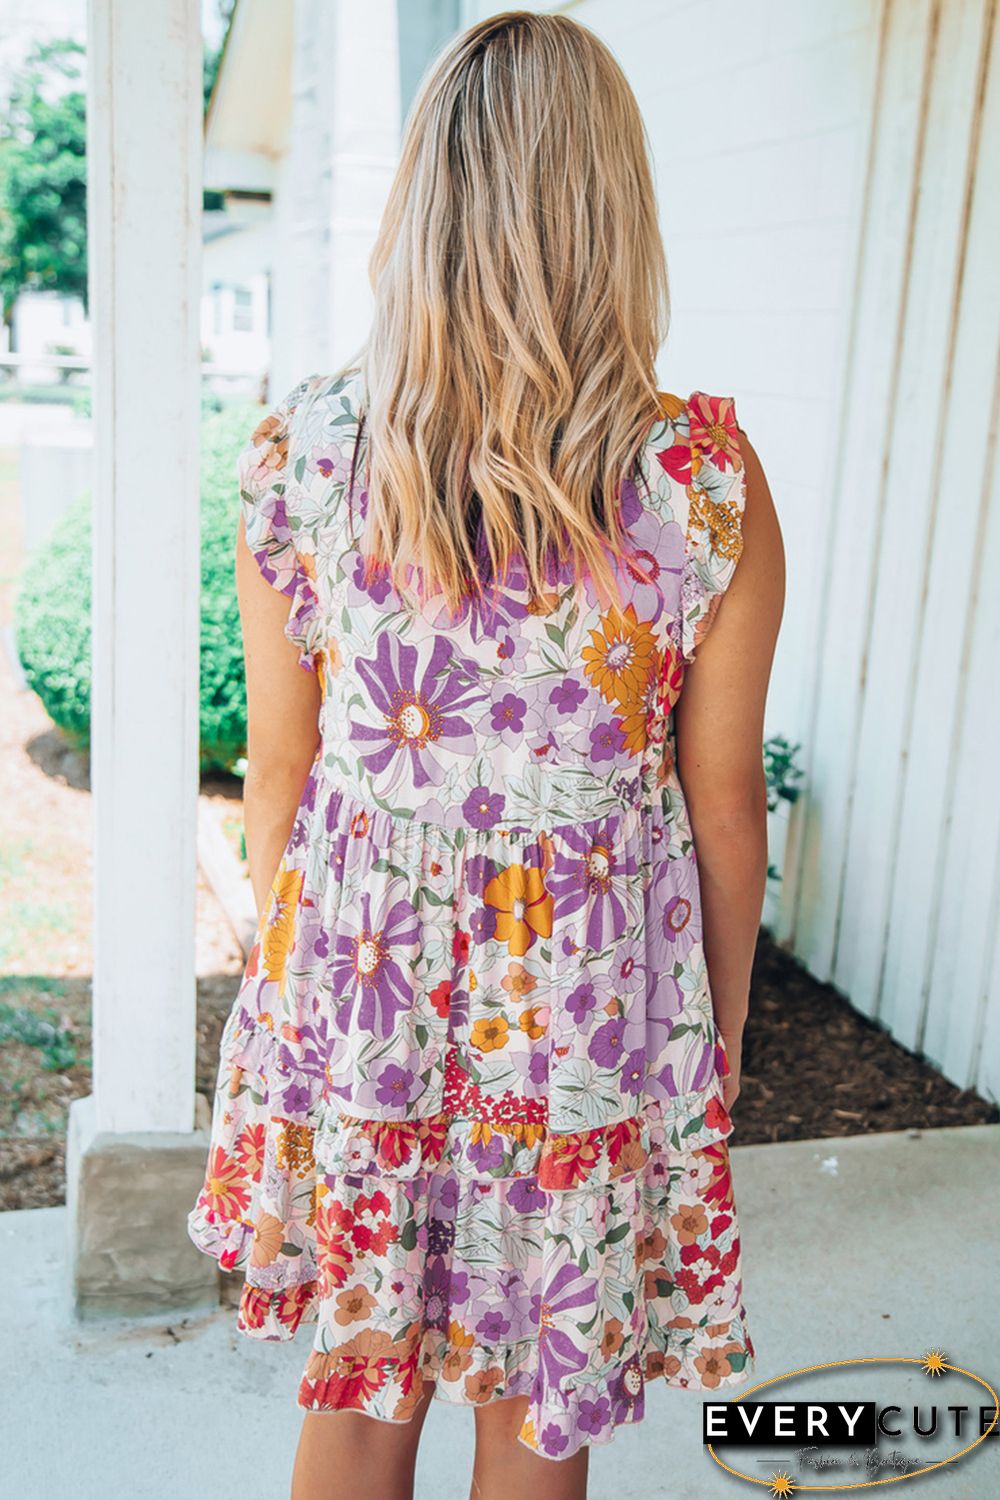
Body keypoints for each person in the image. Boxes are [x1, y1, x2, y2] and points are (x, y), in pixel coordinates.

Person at [187, 10, 784, 1499]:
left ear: (422, 205)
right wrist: (711, 1042)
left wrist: (303, 996)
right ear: (615, 213)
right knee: (533, 1408)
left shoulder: (306, 455)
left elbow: (282, 775)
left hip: (363, 991)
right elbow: (723, 806)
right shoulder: (698, 484)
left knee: (359, 1383)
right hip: (584, 1020)